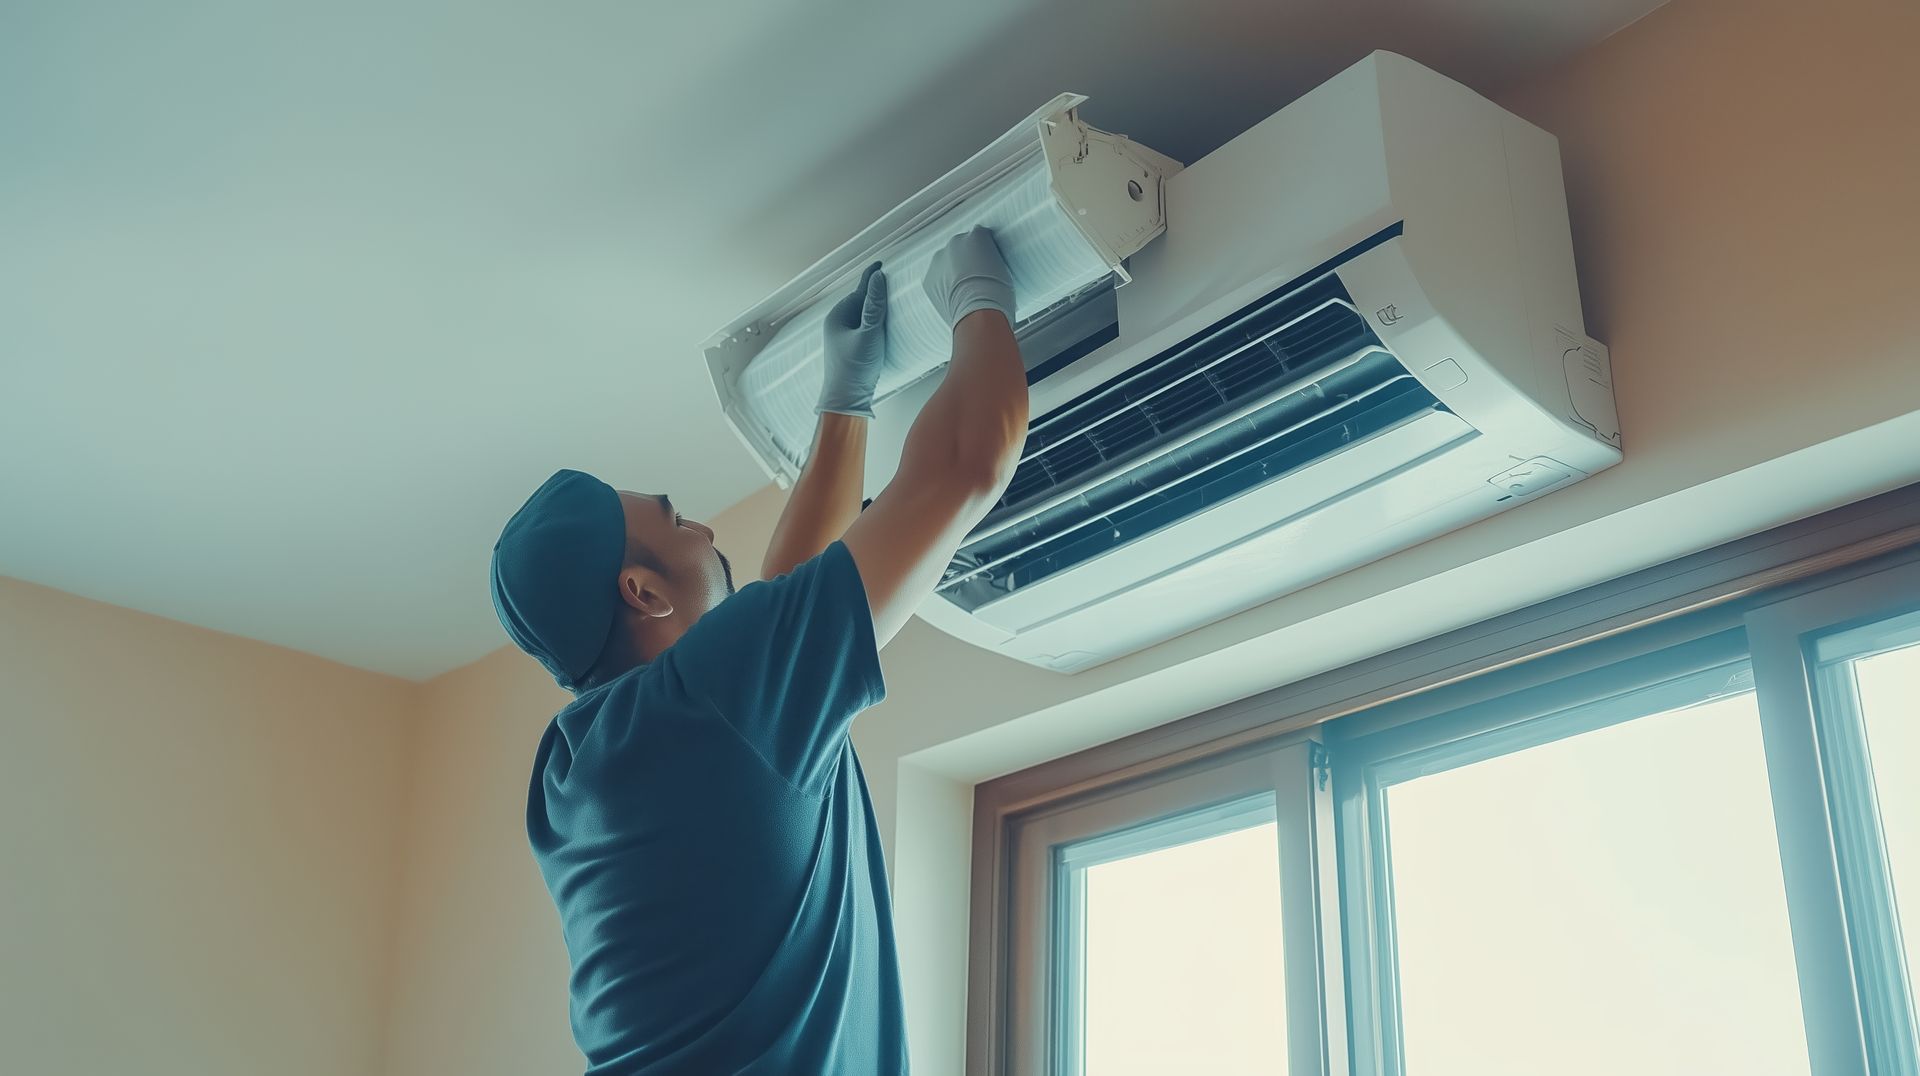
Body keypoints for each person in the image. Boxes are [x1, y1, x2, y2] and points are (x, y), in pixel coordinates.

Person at [488, 227, 1028, 1075]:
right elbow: (968, 464)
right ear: (642, 591)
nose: (702, 528)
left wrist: (844, 407)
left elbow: (780, 608)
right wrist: (980, 290)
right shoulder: (713, 702)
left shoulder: (569, 773)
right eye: (674, 519)